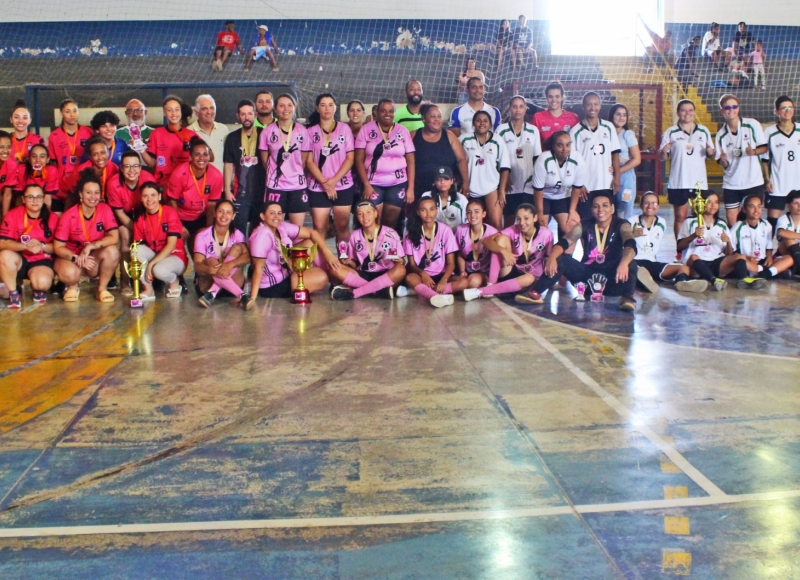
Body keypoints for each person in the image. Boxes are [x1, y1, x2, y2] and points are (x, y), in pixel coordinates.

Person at [526, 191, 638, 311]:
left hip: (612, 280)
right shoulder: (584, 224)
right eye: (596, 206)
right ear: (591, 209)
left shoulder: (622, 224)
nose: (600, 209)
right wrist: (552, 257)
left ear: (612, 208)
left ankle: (627, 298)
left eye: (605, 205)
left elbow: (630, 244)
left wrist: (624, 263)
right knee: (561, 258)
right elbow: (564, 243)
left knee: (631, 263)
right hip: (587, 281)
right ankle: (535, 292)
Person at [245, 201, 338, 307]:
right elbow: (258, 268)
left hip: (287, 272)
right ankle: (335, 277)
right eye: (272, 213)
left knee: (311, 242)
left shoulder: (280, 227)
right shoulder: (261, 236)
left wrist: (328, 254)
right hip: (273, 286)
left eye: (279, 213)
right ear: (262, 216)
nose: (276, 216)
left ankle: (334, 275)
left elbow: (313, 233)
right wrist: (252, 298)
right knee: (322, 277)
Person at [53, 172, 120, 302]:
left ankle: (101, 288)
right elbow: (57, 247)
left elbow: (114, 237)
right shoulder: (69, 215)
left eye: (96, 192)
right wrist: (75, 258)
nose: (93, 197)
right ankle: (72, 286)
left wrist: (91, 246)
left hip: (91, 260)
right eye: (88, 192)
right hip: (71, 259)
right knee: (70, 274)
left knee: (112, 251)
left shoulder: (104, 209)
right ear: (80, 194)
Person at [305, 93, 356, 254]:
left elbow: (350, 158)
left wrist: (333, 181)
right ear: (317, 108)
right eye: (323, 105)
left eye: (330, 104)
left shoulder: (344, 128)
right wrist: (325, 183)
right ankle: (320, 262)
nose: (327, 108)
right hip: (317, 186)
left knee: (342, 226)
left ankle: (344, 259)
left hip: (342, 185)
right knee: (320, 227)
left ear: (335, 107)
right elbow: (309, 161)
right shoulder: (310, 131)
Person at [629, 192, 708, 294]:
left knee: (683, 267)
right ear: (641, 205)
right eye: (646, 203)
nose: (650, 206)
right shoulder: (631, 221)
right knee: (637, 271)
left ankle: (682, 282)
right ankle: (644, 282)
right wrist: (632, 234)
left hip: (652, 262)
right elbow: (619, 242)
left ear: (658, 207)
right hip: (634, 260)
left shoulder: (662, 222)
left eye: (654, 203)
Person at [354, 98, 416, 230]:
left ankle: (386, 250)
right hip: (373, 183)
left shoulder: (402, 131)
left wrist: (410, 188)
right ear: (377, 112)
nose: (387, 114)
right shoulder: (366, 130)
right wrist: (365, 184)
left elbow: (410, 159)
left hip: (398, 183)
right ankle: (371, 250)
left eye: (391, 111)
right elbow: (358, 159)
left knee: (390, 224)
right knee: (372, 223)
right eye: (383, 111)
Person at [659, 99, 715, 241]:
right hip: (679, 181)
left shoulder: (703, 131)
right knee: (680, 217)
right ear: (678, 112)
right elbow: (661, 157)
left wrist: (710, 151)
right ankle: (680, 247)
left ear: (694, 112)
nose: (687, 113)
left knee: (700, 216)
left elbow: (712, 155)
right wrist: (664, 151)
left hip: (699, 182)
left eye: (690, 110)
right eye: (683, 110)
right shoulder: (670, 132)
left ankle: (699, 245)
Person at [329, 199, 406, 300]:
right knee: (334, 269)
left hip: (385, 274)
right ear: (357, 216)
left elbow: (402, 261)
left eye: (368, 212)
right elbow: (356, 264)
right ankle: (378, 290)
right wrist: (348, 262)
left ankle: (355, 293)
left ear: (375, 213)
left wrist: (400, 261)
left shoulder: (390, 233)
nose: (365, 217)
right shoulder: (354, 235)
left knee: (401, 270)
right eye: (360, 214)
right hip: (363, 274)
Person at [481, 202, 553, 303]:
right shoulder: (514, 229)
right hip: (513, 270)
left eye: (526, 218)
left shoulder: (546, 234)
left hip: (532, 278)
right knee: (501, 239)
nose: (522, 222)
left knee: (529, 278)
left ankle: (482, 291)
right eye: (518, 219)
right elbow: (486, 241)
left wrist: (546, 282)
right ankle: (491, 284)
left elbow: (548, 258)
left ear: (535, 218)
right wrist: (503, 251)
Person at [0, 184, 59, 307]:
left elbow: (58, 247)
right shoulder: (13, 215)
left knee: (41, 283)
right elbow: (2, 243)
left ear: (43, 199)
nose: (35, 200)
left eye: (38, 197)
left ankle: (36, 287)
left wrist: (42, 245)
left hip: (42, 259)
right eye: (30, 197)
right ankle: (13, 292)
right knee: (4, 256)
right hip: (20, 259)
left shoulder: (52, 217)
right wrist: (25, 246)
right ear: (23, 199)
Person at [402, 196, 466, 307]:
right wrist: (423, 274)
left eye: (432, 209)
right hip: (422, 275)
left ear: (436, 210)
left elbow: (451, 263)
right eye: (423, 210)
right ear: (418, 212)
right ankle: (435, 295)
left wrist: (444, 280)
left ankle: (425, 293)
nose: (428, 214)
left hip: (441, 273)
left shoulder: (445, 230)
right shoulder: (410, 232)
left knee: (464, 282)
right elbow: (411, 265)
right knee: (410, 278)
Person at [107, 150, 156, 295]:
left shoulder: (148, 179)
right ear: (121, 168)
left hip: (143, 213)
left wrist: (145, 229)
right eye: (127, 167)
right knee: (126, 240)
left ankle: (148, 278)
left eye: (135, 166)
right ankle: (124, 280)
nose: (131, 170)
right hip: (123, 215)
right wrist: (136, 229)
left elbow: (152, 205)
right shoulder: (113, 183)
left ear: (141, 167)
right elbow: (119, 212)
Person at [259, 93, 311, 227]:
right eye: (281, 105)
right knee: (274, 228)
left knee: (297, 230)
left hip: (297, 186)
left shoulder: (303, 131)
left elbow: (303, 161)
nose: (285, 109)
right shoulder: (267, 132)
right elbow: (266, 161)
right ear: (275, 109)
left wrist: (293, 172)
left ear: (294, 107)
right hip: (275, 186)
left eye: (289, 105)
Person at [715, 94, 767, 225]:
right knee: (733, 223)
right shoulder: (721, 135)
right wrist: (723, 160)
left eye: (734, 106)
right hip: (732, 183)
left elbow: (764, 148)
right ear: (722, 110)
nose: (731, 110)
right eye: (727, 107)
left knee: (754, 220)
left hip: (753, 182)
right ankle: (735, 246)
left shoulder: (752, 125)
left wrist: (753, 151)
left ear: (738, 108)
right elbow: (724, 165)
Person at [167, 137, 223, 255]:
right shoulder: (179, 174)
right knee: (176, 248)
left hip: (201, 217)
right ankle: (178, 272)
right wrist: (178, 226)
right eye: (197, 154)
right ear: (190, 157)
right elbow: (172, 202)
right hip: (181, 217)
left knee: (199, 249)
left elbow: (212, 205)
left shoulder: (216, 175)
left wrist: (207, 228)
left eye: (205, 154)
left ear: (209, 156)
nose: (201, 158)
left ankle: (199, 273)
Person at [569, 92, 621, 220]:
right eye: (589, 105)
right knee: (586, 223)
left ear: (600, 105)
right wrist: (578, 185)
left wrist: (617, 178)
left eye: (596, 104)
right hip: (586, 187)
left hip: (606, 183)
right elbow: (572, 161)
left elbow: (615, 154)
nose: (593, 108)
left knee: (607, 221)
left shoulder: (609, 127)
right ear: (583, 106)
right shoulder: (575, 131)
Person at [132, 181, 187, 299]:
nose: (149, 199)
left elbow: (171, 245)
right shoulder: (140, 218)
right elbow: (138, 246)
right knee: (135, 250)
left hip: (175, 256)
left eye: (153, 195)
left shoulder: (169, 212)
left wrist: (151, 264)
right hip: (156, 255)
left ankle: (174, 282)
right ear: (141, 199)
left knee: (159, 270)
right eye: (145, 196)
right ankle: (148, 289)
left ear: (159, 196)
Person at [194, 200, 251, 307]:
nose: (224, 215)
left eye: (228, 212)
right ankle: (242, 296)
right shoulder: (202, 235)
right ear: (215, 213)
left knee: (238, 249)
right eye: (221, 211)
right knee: (210, 260)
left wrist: (230, 265)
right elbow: (197, 265)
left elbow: (248, 257)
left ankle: (213, 292)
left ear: (233, 216)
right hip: (207, 284)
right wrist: (209, 269)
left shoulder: (238, 234)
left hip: (232, 287)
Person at [460, 110, 510, 229]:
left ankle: (497, 247)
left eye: (485, 121)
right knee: (468, 225)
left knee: (496, 223)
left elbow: (505, 167)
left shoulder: (498, 141)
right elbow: (457, 162)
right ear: (473, 123)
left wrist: (501, 190)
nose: (481, 123)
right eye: (478, 120)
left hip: (491, 188)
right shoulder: (463, 139)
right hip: (469, 188)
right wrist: (461, 183)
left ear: (490, 124)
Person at [223, 99, 266, 236]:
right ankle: (240, 255)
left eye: (249, 114)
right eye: (243, 114)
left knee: (258, 231)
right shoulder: (232, 137)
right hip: (240, 193)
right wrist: (227, 191)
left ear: (255, 114)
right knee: (238, 230)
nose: (246, 118)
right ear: (238, 116)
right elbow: (228, 165)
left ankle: (256, 256)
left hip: (262, 191)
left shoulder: (264, 134)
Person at [532, 131, 586, 237]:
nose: (564, 149)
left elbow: (577, 188)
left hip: (563, 197)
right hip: (544, 197)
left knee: (571, 228)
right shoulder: (543, 159)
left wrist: (572, 211)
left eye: (568, 145)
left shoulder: (578, 159)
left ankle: (565, 254)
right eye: (560, 145)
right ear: (553, 146)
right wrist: (540, 213)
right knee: (542, 228)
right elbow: (538, 190)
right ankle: (543, 253)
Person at [499, 95, 542, 226]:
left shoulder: (533, 130)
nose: (518, 110)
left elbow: (537, 158)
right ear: (509, 109)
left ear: (525, 109)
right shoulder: (501, 130)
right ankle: (509, 246)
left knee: (527, 219)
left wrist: (536, 182)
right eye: (514, 106)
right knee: (509, 219)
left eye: (521, 106)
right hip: (509, 183)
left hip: (528, 184)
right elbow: (497, 158)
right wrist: (503, 180)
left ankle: (526, 246)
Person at [411, 104, 470, 197]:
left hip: (446, 191)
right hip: (419, 188)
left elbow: (462, 159)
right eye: (432, 116)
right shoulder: (414, 135)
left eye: (439, 116)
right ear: (424, 119)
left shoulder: (449, 136)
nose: (436, 120)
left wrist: (466, 182)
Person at [730, 194, 791, 283]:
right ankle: (765, 273)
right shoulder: (737, 227)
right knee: (740, 263)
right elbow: (732, 252)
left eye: (759, 206)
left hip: (762, 261)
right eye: (752, 207)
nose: (756, 210)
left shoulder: (766, 225)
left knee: (789, 258)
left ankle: (763, 274)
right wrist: (747, 258)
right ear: (744, 209)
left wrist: (769, 257)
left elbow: (769, 247)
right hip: (747, 261)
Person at [141, 95, 198, 186]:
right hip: (163, 184)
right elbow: (151, 163)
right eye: (169, 110)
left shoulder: (191, 135)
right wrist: (141, 149)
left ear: (181, 112)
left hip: (186, 184)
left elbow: (209, 156)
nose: (173, 113)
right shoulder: (156, 134)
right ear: (164, 113)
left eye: (177, 109)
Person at [48, 99, 95, 208]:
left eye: (75, 111)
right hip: (62, 184)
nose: (72, 114)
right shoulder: (54, 136)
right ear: (61, 113)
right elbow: (53, 163)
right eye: (67, 111)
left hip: (82, 180)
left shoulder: (88, 132)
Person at [763, 97, 800, 230]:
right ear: (777, 111)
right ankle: (769, 251)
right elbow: (765, 160)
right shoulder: (770, 132)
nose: (787, 110)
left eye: (790, 107)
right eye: (784, 108)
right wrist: (767, 180)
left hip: (798, 185)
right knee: (773, 222)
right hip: (778, 185)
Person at [453, 198, 500, 294]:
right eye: (469, 212)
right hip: (466, 272)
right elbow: (460, 254)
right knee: (459, 281)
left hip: (484, 273)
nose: (473, 215)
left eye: (476, 212)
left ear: (484, 214)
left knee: (473, 281)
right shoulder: (460, 230)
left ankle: (482, 290)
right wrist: (462, 271)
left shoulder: (493, 232)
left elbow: (496, 257)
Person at [58, 136, 119, 209]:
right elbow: (71, 196)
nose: (100, 157)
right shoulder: (81, 171)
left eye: (103, 153)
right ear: (90, 156)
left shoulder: (114, 168)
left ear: (108, 153)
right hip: (64, 195)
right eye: (95, 154)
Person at [609, 104, 640, 219]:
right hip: (608, 175)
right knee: (609, 211)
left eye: (624, 115)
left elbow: (637, 159)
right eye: (618, 114)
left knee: (624, 212)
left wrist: (618, 171)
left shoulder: (628, 134)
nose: (621, 117)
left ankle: (624, 236)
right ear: (611, 116)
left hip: (625, 176)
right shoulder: (605, 133)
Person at [533, 82, 580, 151]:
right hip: (545, 160)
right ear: (546, 97)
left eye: (557, 96)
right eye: (550, 96)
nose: (554, 100)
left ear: (562, 97)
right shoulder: (538, 118)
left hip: (567, 160)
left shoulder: (573, 118)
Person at [189, 95, 229, 174]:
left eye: (212, 108)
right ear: (196, 112)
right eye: (204, 109)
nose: (209, 112)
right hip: (197, 184)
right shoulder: (189, 132)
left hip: (221, 184)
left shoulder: (223, 130)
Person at [12, 144, 58, 212]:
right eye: (34, 156)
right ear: (29, 159)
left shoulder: (52, 171)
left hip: (43, 203)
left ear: (47, 159)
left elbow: (47, 198)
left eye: (42, 157)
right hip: (26, 202)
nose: (38, 160)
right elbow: (19, 198)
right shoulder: (21, 170)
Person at [774, 190, 800, 275]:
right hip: (785, 254)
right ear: (789, 206)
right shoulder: (784, 219)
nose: (799, 206)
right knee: (788, 239)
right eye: (796, 203)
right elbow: (781, 232)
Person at [0, 131, 19, 218]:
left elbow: (7, 194)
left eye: (8, 147)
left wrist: (4, 219)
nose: (5, 151)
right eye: (1, 147)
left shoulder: (12, 164)